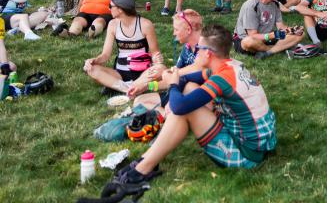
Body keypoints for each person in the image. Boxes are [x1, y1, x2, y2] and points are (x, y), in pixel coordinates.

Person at [96, 25, 276, 199]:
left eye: (199, 48)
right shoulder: (228, 65)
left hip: (247, 155)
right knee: (189, 88)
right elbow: (187, 79)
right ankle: (147, 161)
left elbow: (179, 106)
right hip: (257, 142)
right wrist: (149, 85)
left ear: (208, 53)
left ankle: (142, 168)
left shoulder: (222, 77)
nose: (196, 51)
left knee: (184, 110)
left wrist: (173, 84)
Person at [84, 0, 163, 95]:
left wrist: (157, 62)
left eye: (111, 6)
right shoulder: (113, 25)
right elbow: (105, 55)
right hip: (120, 73)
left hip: (143, 72)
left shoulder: (145, 25)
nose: (109, 8)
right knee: (92, 69)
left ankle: (118, 86)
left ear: (120, 9)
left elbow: (155, 53)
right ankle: (130, 89)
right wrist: (94, 60)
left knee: (162, 69)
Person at [233, 0, 304, 58]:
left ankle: (268, 52)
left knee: (301, 34)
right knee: (249, 41)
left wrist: (292, 30)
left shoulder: (275, 3)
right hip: (247, 39)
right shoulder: (251, 6)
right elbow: (252, 35)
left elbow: (281, 27)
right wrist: (273, 35)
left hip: (267, 38)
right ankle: (276, 48)